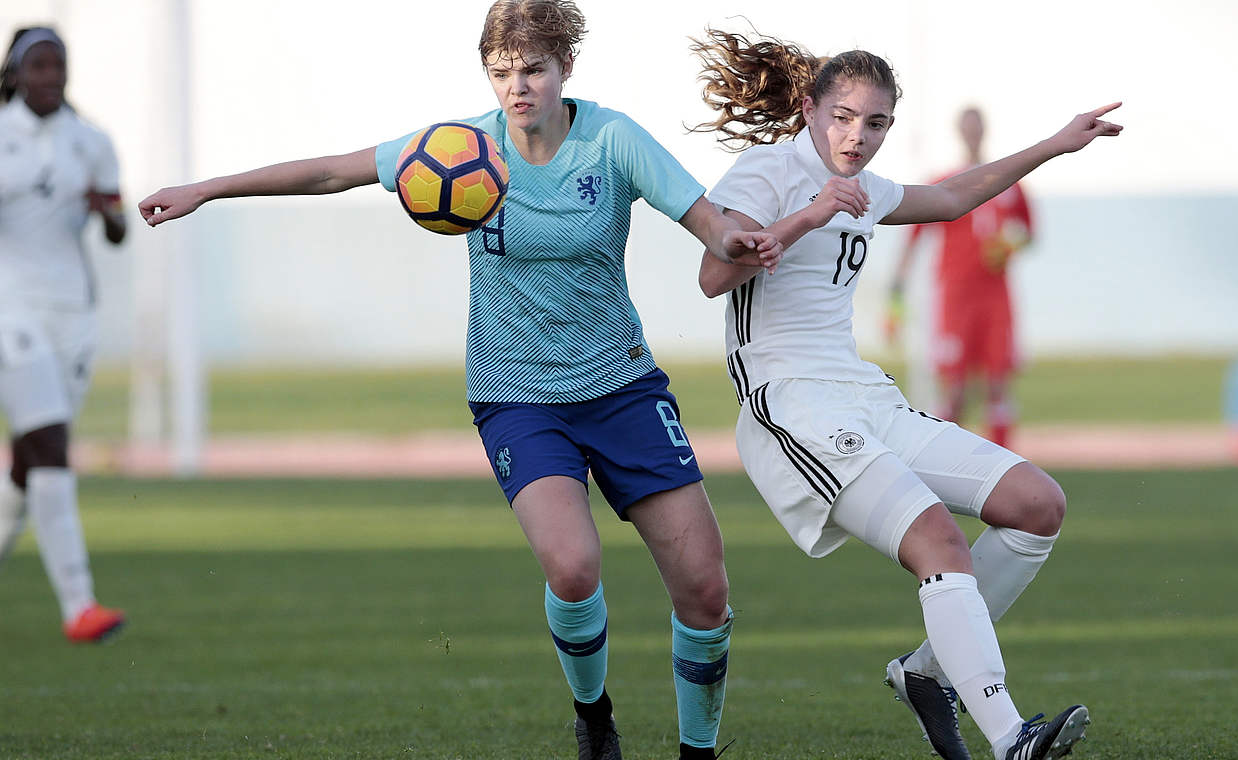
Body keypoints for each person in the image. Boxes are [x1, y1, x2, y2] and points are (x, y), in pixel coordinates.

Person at [138, 3, 781, 758]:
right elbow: (332, 171)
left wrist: (733, 238)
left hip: (622, 387)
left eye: (533, 69)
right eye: (502, 72)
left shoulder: (612, 140)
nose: (518, 87)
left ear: (565, 67)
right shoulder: (460, 149)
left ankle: (698, 751)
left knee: (705, 588)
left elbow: (705, 220)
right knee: (573, 568)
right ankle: (595, 717)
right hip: (517, 395)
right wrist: (208, 189)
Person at [690, 28, 1120, 760]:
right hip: (791, 404)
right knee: (940, 545)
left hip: (865, 394)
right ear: (809, 109)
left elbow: (950, 196)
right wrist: (811, 213)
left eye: (876, 122)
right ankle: (1011, 738)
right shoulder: (768, 172)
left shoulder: (864, 188)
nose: (856, 136)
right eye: (842, 117)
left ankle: (925, 673)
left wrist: (1054, 144)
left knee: (1037, 504)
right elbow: (714, 275)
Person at [0, 26, 127, 643]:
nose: (51, 76)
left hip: (73, 314)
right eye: (39, 65)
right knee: (50, 447)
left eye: (59, 65)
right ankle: (80, 605)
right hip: (11, 311)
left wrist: (109, 214)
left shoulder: (91, 142)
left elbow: (118, 230)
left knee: (30, 464)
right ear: (16, 73)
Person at [887, 106, 1033, 447]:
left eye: (977, 126)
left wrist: (1008, 246)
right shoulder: (945, 182)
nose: (972, 133)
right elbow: (913, 238)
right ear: (960, 132)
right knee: (954, 389)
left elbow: (1028, 231)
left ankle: (1005, 461)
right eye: (967, 127)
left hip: (996, 296)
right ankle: (951, 461)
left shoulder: (1010, 183)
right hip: (955, 296)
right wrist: (895, 300)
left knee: (998, 384)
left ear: (984, 130)